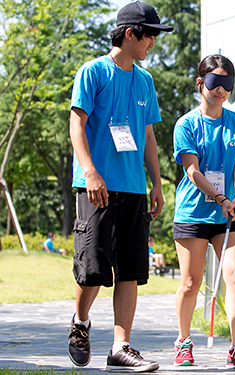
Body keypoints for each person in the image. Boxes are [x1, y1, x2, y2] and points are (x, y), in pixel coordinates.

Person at [67, 2, 171, 372]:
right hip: (96, 186)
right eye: (151, 36)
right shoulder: (93, 72)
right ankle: (81, 323)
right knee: (94, 268)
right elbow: (76, 124)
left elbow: (147, 135)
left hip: (134, 188)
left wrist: (156, 183)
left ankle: (120, 347)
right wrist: (91, 172)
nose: (153, 44)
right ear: (131, 33)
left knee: (131, 269)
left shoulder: (145, 80)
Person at [171, 54, 235, 369]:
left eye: (227, 84)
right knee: (190, 282)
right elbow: (192, 171)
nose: (221, 89)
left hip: (230, 212)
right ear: (200, 83)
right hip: (193, 213)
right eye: (215, 82)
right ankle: (183, 341)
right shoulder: (186, 124)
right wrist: (220, 197)